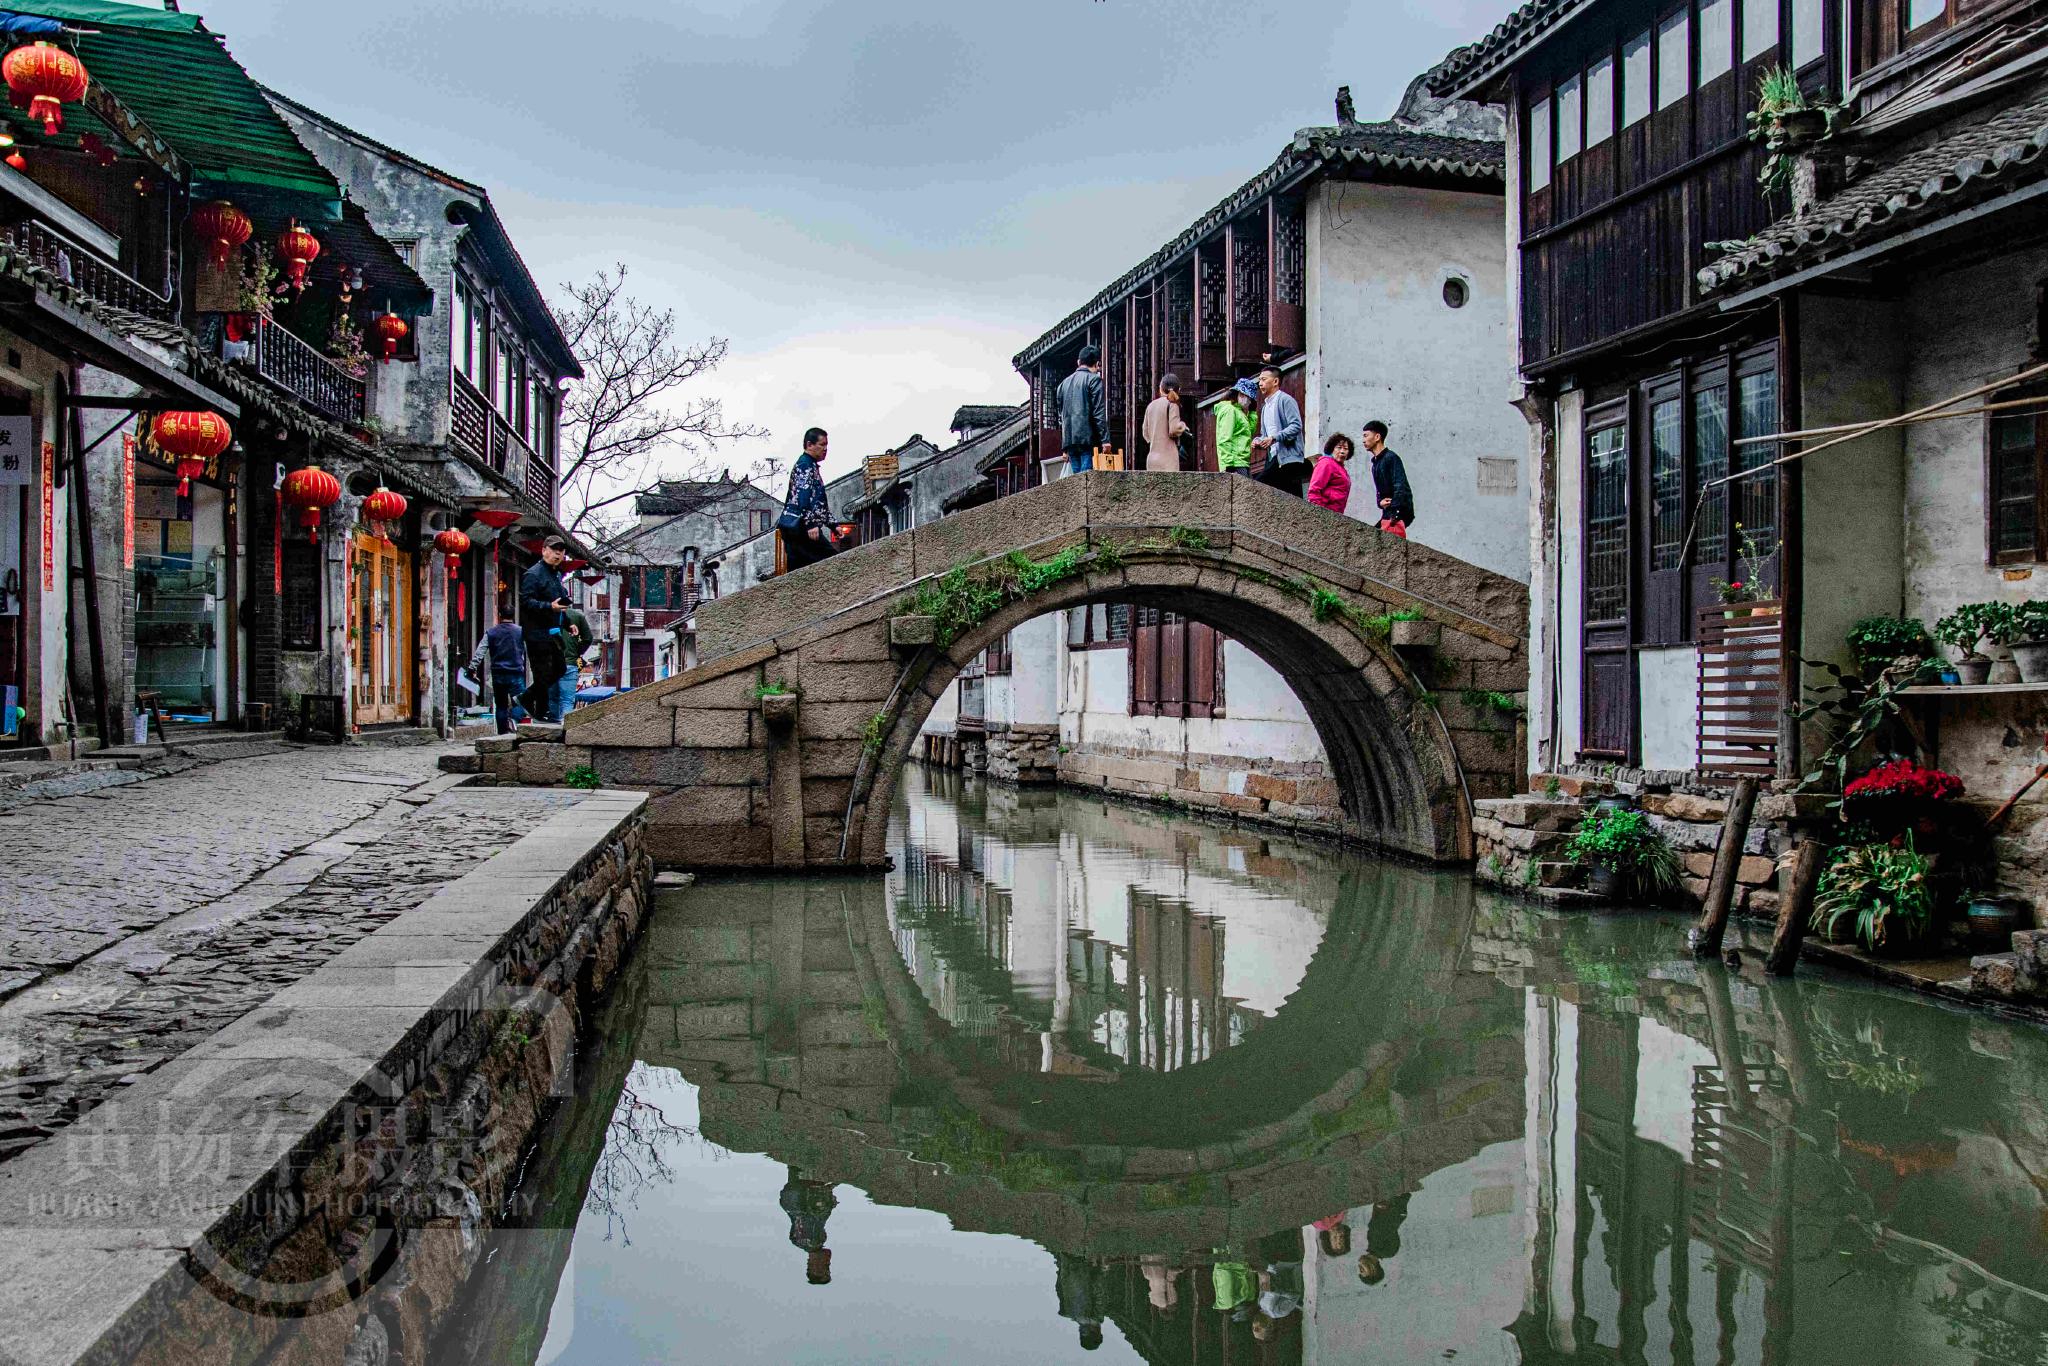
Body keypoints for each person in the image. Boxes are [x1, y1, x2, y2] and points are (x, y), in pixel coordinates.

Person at [518, 538, 572, 723]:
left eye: (561, 551)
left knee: (559, 668)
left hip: (553, 631)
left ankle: (527, 697)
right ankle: (542, 711)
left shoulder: (556, 575)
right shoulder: (533, 574)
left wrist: (568, 623)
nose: (558, 554)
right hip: (536, 632)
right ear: (544, 550)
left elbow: (560, 603)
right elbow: (526, 602)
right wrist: (548, 606)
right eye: (554, 549)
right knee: (542, 671)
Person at [777, 428, 844, 573]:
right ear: (809, 445)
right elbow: (802, 496)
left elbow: (818, 503)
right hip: (798, 527)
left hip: (799, 526)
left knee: (801, 570)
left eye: (827, 445)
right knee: (831, 561)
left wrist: (833, 524)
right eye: (822, 444)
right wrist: (811, 524)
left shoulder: (811, 466)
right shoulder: (805, 465)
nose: (825, 449)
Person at [466, 598, 527, 736]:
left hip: (498, 674)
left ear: (500, 615)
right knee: (521, 703)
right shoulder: (521, 632)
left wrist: (472, 668)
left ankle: (502, 734)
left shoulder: (491, 632)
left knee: (501, 706)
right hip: (516, 672)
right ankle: (513, 720)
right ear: (513, 615)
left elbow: (480, 652)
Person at [1251, 367, 1306, 497]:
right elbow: (1266, 435)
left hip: (1288, 458)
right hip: (1273, 457)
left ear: (1275, 381)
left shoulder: (1286, 400)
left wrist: (1274, 438)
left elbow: (1296, 426)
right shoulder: (1265, 407)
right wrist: (1259, 441)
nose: (1260, 383)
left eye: (1264, 379)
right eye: (1259, 380)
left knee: (1291, 496)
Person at [779, 1166, 838, 1286]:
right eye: (828, 1266)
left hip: (807, 1184)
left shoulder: (815, 1239)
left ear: (812, 1265)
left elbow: (817, 1208)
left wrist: (829, 1196)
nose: (828, 1262)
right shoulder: (796, 1241)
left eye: (825, 1266)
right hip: (792, 1188)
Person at [1057, 345, 1109, 474]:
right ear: (1097, 364)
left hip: (1069, 439)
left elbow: (1060, 416)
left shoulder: (1063, 384)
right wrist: (1105, 440)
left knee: (1076, 479)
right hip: (1088, 438)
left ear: (1079, 362)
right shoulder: (1094, 380)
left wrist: (1064, 447)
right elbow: (1098, 412)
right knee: (1085, 479)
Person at [1362, 420, 1415, 535]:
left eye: (1366, 435)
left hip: (1394, 517)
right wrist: (1379, 502)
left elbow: (1400, 485)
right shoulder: (1375, 463)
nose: (1363, 440)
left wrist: (1395, 514)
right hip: (1387, 514)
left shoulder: (1391, 458)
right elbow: (1379, 492)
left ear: (1377, 437)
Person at [1055, 1253, 1106, 1351]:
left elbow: (1098, 1289)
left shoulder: (1096, 1316)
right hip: (1067, 1262)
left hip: (1085, 1261)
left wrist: (1101, 1268)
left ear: (1096, 1333)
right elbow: (1059, 1287)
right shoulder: (1066, 1311)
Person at [1141, 374, 1189, 472]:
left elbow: (1145, 434)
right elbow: (1174, 430)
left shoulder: (1150, 406)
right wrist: (1183, 426)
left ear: (1161, 388)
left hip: (1152, 459)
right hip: (1168, 459)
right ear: (1178, 389)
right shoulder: (1172, 404)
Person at [553, 603, 593, 720]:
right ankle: (564, 730)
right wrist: (577, 651)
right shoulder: (578, 616)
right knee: (567, 701)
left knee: (552, 700)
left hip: (551, 664)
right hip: (569, 664)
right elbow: (588, 638)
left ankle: (551, 728)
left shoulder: (547, 615)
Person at [1217, 377, 1258, 475]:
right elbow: (1225, 438)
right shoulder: (1230, 410)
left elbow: (1248, 432)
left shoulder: (1238, 411)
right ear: (1241, 394)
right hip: (1235, 462)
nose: (1250, 402)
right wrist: (1228, 465)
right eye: (1250, 398)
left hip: (1242, 461)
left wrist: (1252, 413)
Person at [1308, 433, 1355, 514]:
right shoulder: (1326, 463)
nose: (1342, 451)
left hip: (1336, 514)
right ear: (1332, 449)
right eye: (1339, 447)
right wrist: (1318, 513)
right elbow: (1314, 489)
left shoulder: (1341, 469)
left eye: (1345, 449)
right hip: (1325, 513)